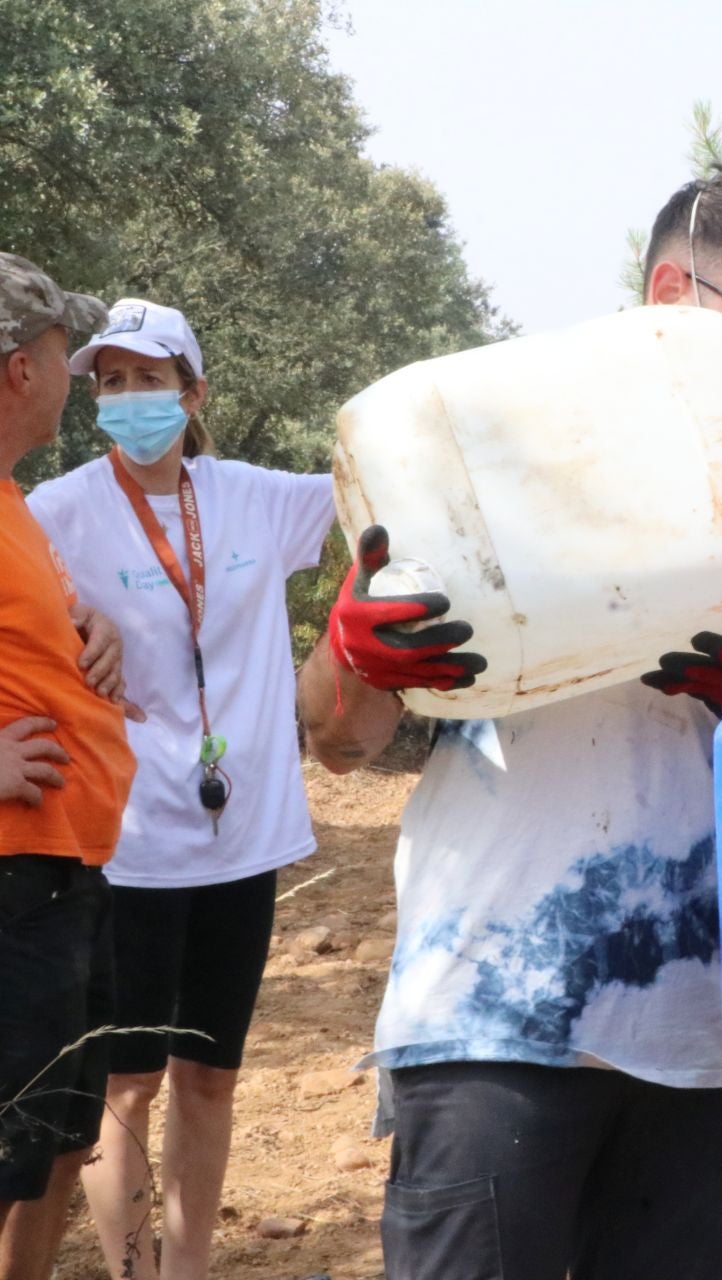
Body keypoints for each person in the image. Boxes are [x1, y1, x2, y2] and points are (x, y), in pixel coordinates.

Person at [296, 165, 722, 1280]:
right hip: (488, 1009)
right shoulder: (480, 468)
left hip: (701, 1034)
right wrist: (356, 652)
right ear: (670, 294)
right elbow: (338, 733)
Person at [25, 299, 336, 1280]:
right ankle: (132, 1268)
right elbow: (23, 605)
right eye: (109, 382)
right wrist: (74, 615)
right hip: (130, 835)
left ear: (193, 393)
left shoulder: (257, 498)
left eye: (148, 379)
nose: (127, 399)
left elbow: (385, 489)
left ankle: (188, 1264)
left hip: (243, 834)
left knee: (210, 1074)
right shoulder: (57, 510)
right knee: (130, 1081)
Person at [0, 254, 137, 1280]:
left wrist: (91, 631)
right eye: (60, 350)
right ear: (18, 369)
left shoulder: (11, 503)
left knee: (51, 1136)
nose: (69, 373)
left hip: (62, 873)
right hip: (11, 878)